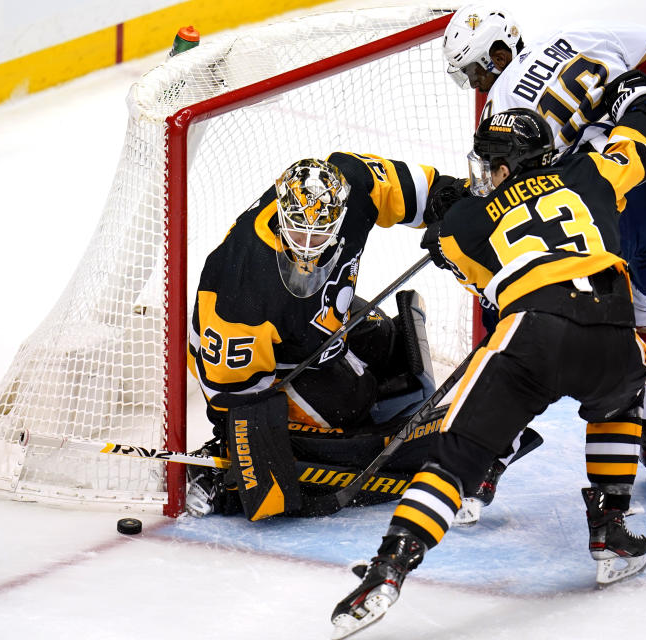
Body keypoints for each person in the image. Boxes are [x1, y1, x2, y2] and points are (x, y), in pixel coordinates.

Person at [330, 73, 646, 639]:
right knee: (620, 400)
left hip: (535, 331)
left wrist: (441, 240)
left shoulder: (463, 223)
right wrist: (635, 105)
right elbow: (644, 148)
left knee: (454, 455)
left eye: (491, 163)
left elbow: (489, 289)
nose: (482, 173)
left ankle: (391, 566)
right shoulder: (591, 171)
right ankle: (610, 524)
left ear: (511, 164)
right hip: (614, 330)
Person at [442, 4, 646, 492]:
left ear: (502, 50)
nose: (480, 81)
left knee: (527, 314)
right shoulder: (588, 32)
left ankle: (492, 453)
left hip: (592, 205)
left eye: (479, 68)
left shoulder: (499, 108)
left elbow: (504, 192)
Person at [185, 153, 464, 521]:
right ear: (282, 213)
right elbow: (230, 391)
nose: (308, 242)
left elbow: (402, 187)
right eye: (298, 228)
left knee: (386, 340)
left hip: (320, 315)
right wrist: (242, 447)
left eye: (321, 231)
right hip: (263, 361)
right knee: (353, 401)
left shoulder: (353, 184)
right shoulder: (244, 286)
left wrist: (455, 202)